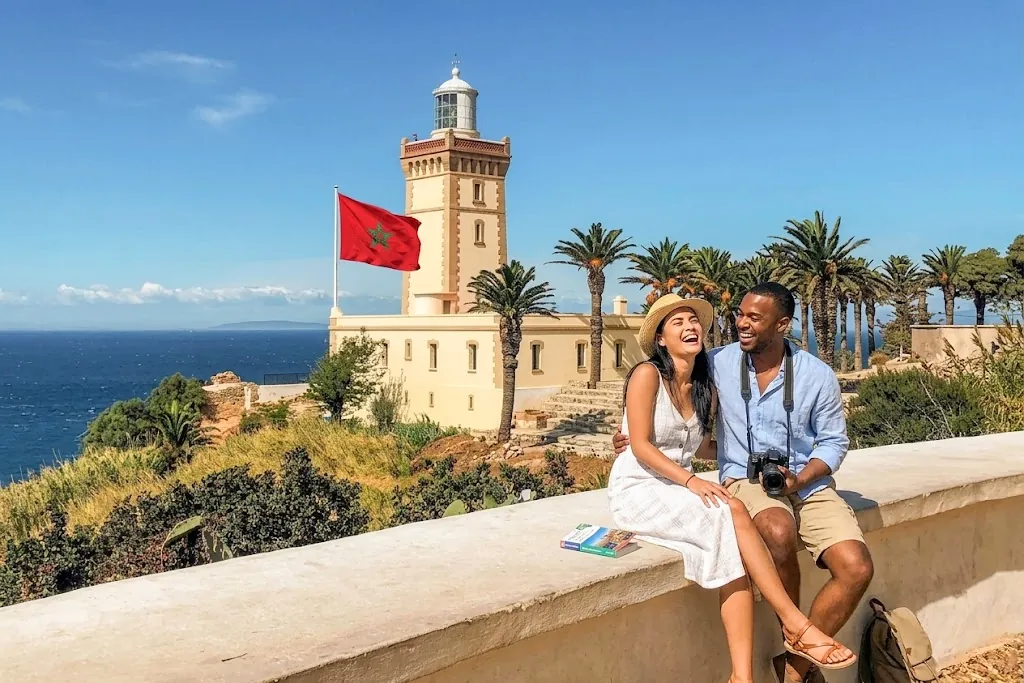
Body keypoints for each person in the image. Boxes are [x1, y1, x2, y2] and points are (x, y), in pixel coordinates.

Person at [612, 283, 874, 683]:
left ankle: (795, 664)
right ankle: (792, 630)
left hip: (808, 481)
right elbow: (650, 435)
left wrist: (800, 478)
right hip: (740, 482)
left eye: (754, 318)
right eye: (740, 315)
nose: (741, 324)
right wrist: (633, 439)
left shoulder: (814, 375)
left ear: (782, 324)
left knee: (856, 566)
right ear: (661, 339)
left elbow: (835, 442)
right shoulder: (715, 364)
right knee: (775, 528)